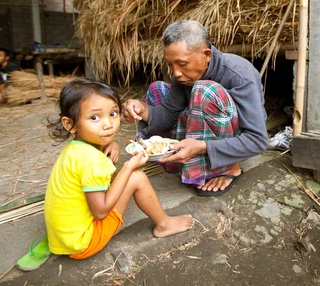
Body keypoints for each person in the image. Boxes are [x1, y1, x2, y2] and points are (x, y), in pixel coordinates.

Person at [17, 78, 194, 271]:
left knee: (123, 177)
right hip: (84, 243)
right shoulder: (92, 161)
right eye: (95, 118)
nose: (108, 124)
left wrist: (113, 144)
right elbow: (100, 212)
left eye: (113, 113)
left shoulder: (75, 149)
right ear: (70, 124)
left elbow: (93, 169)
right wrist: (128, 167)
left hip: (63, 238)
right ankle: (164, 223)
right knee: (137, 177)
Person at [124, 20, 268, 196]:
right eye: (170, 64)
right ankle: (181, 158)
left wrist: (202, 146)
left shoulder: (239, 74)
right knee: (158, 88)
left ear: (206, 54)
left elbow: (257, 140)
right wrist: (142, 110)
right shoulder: (184, 76)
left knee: (204, 90)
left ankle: (228, 168)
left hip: (236, 141)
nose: (175, 72)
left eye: (182, 64)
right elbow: (169, 113)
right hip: (204, 133)